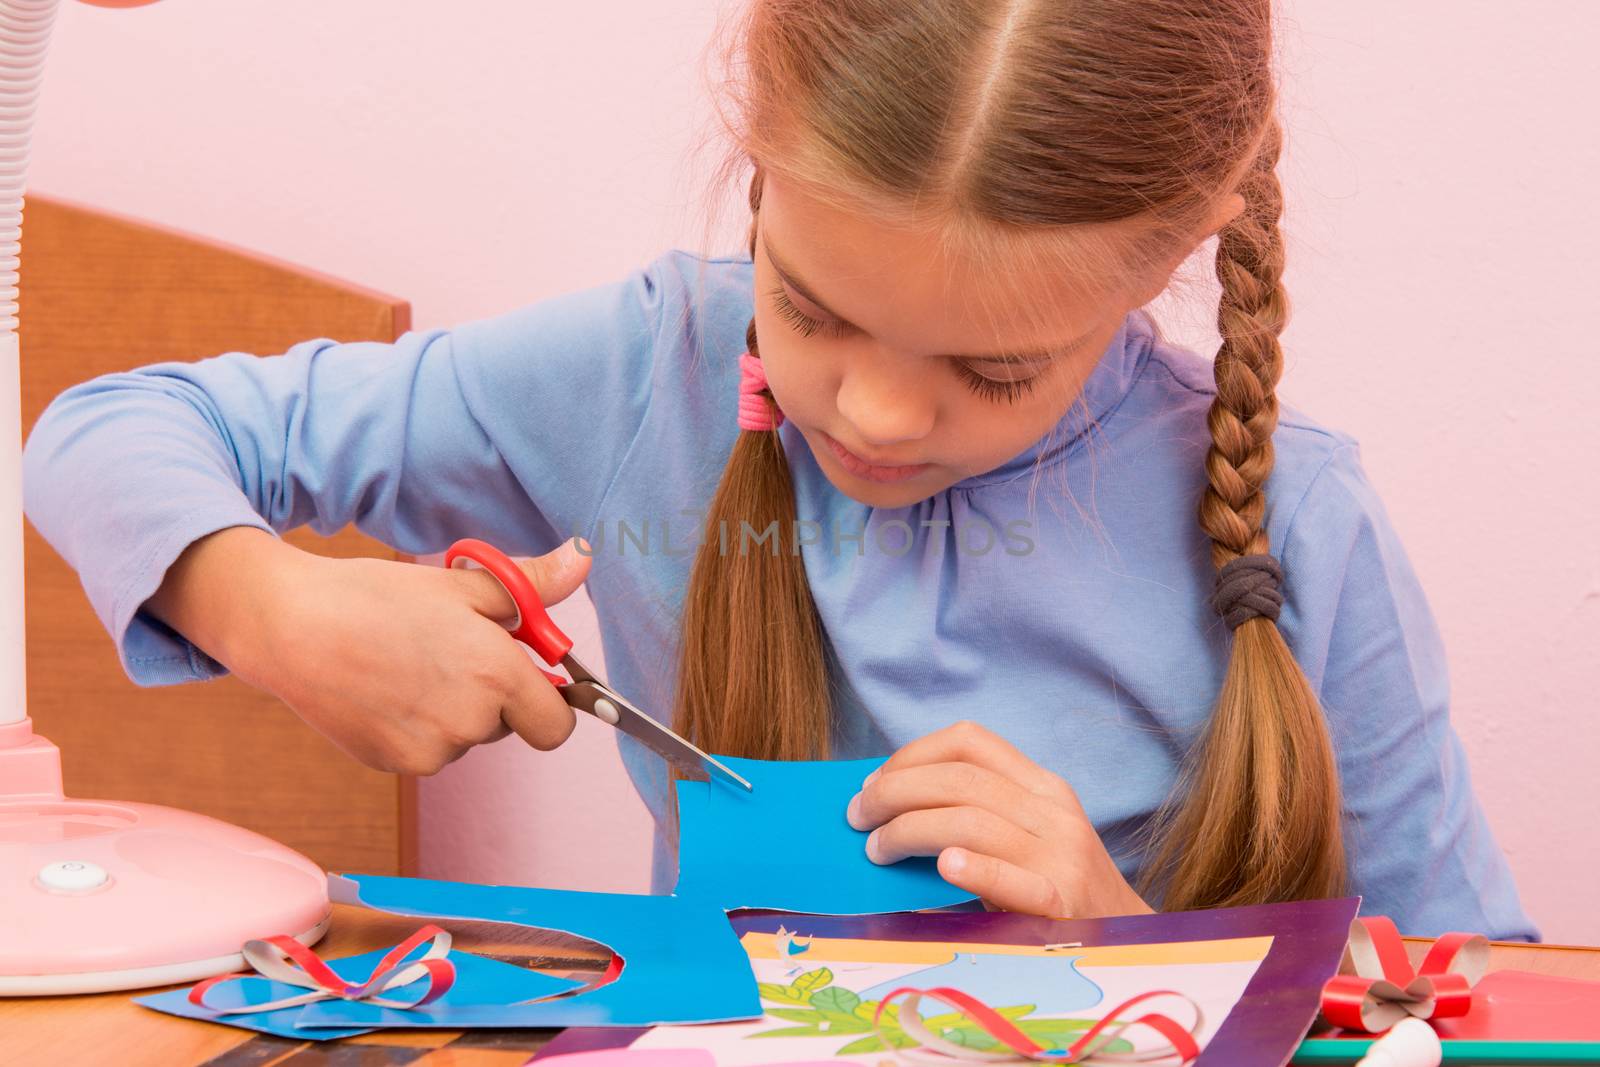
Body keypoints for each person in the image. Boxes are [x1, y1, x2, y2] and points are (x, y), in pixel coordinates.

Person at [22, 0, 1535, 937]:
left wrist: (1125, 958)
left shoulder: (1297, 522)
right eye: (809, 306)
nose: (872, 414)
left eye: (995, 368)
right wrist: (275, 614)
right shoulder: (647, 372)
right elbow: (105, 430)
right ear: (759, 162)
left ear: (1180, 251)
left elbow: (1474, 1009)